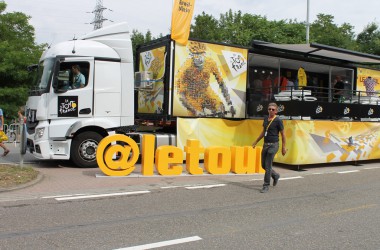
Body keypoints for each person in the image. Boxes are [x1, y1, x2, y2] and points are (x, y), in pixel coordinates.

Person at [176, 41, 234, 117]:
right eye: (196, 55)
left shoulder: (210, 62)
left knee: (220, 108)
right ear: (191, 55)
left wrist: (229, 103)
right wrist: (194, 110)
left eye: (201, 54)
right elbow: (181, 95)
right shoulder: (185, 68)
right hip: (192, 96)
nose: (199, 58)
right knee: (195, 117)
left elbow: (221, 83)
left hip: (206, 91)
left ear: (205, 53)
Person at [252, 103, 287, 193]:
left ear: (276, 111)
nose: (271, 110)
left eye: (273, 109)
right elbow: (264, 132)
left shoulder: (278, 120)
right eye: (269, 109)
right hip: (266, 144)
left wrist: (283, 147)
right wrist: (256, 141)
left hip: (274, 145)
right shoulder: (266, 119)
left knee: (268, 166)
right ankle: (275, 175)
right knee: (263, 165)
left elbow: (283, 135)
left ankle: (266, 185)